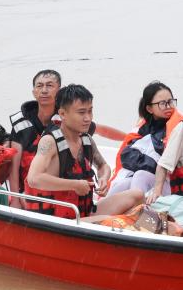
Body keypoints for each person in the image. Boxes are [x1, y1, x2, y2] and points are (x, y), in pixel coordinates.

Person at [24, 84, 143, 219]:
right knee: (110, 220)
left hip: (84, 213)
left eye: (90, 111)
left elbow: (103, 166)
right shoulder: (49, 142)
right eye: (81, 112)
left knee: (137, 195)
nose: (88, 118)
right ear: (62, 114)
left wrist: (104, 178)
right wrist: (75, 185)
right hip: (58, 219)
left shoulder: (86, 140)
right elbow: (34, 178)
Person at [7, 70, 123, 206]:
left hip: (72, 196)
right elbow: (15, 168)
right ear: (34, 92)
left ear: (59, 91)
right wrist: (14, 199)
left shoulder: (76, 122)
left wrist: (130, 138)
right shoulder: (24, 126)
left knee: (135, 195)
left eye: (49, 85)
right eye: (39, 86)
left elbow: (102, 131)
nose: (44, 90)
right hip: (33, 192)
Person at [109, 81, 183, 196]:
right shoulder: (142, 129)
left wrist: (147, 162)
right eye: (162, 103)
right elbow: (126, 155)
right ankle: (100, 209)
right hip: (145, 179)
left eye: (170, 102)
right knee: (124, 183)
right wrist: (148, 162)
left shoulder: (181, 126)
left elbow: (169, 164)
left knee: (140, 175)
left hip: (171, 183)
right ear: (149, 109)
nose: (168, 106)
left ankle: (136, 211)